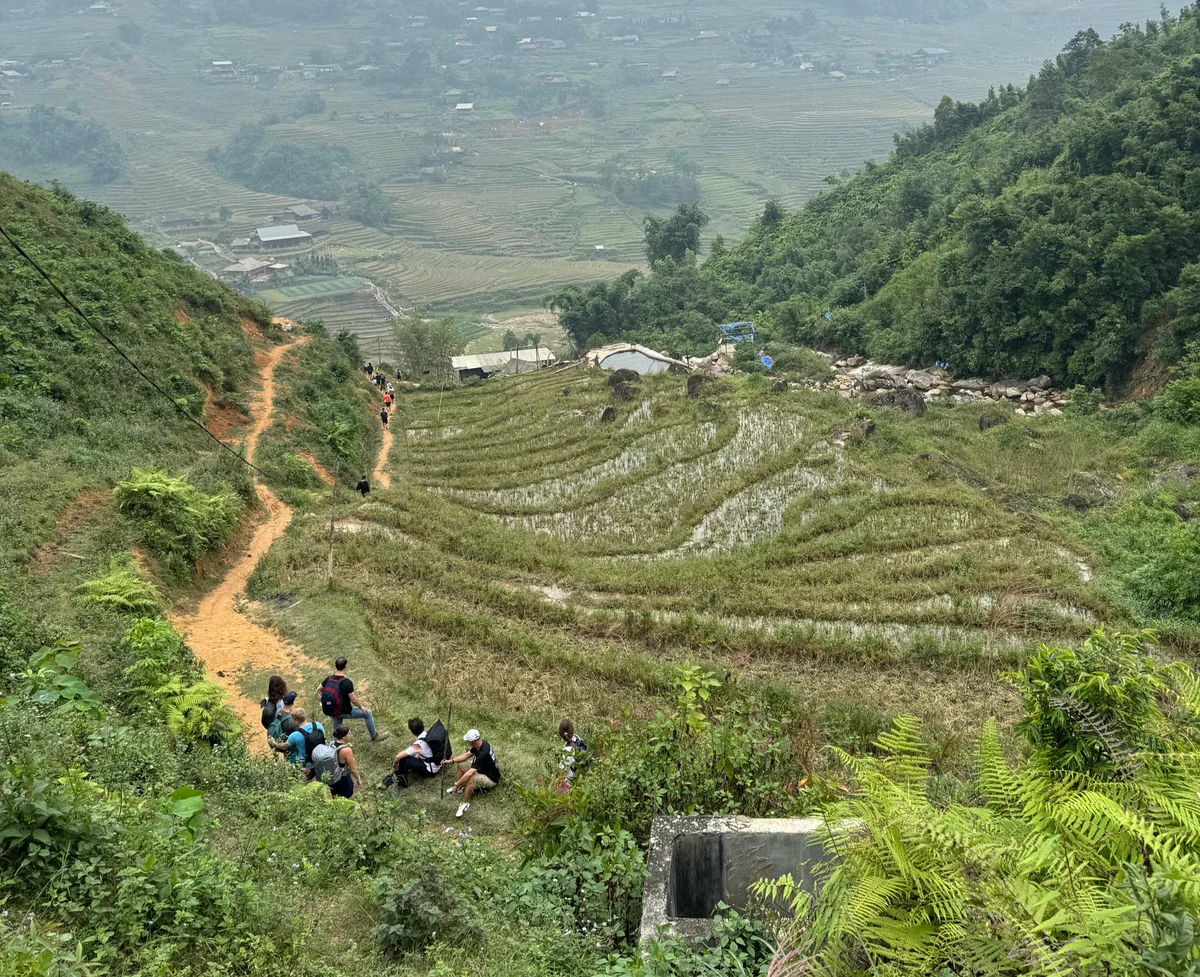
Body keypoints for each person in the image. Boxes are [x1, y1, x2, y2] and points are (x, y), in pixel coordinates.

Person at [319, 657, 388, 743]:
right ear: (345, 667)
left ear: (335, 666)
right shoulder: (347, 682)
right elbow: (354, 700)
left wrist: (323, 698)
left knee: (337, 734)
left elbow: (319, 689)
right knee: (368, 713)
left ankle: (333, 746)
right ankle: (374, 736)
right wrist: (361, 707)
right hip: (344, 711)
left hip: (333, 711)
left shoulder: (328, 679)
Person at [443, 728, 501, 818]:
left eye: (468, 741)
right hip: (481, 770)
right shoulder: (480, 744)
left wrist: (456, 784)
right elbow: (466, 755)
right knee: (461, 763)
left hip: (490, 779)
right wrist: (450, 761)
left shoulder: (483, 754)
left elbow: (469, 774)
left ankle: (465, 803)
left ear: (471, 742)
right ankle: (459, 788)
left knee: (471, 779)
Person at [311, 724, 359, 799]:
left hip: (332, 777)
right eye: (349, 733)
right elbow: (352, 769)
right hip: (343, 778)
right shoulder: (347, 750)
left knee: (335, 796)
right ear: (344, 736)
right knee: (348, 798)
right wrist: (358, 779)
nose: (350, 735)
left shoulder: (332, 743)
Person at [389, 718, 439, 787]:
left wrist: (394, 765)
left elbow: (398, 756)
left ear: (412, 731)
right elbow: (426, 749)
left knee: (404, 759)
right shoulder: (429, 733)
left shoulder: (418, 745)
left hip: (430, 770)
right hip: (438, 763)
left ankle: (402, 780)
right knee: (412, 757)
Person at [558, 718, 590, 786]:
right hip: (583, 777)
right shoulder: (578, 738)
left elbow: (562, 771)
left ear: (561, 734)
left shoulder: (567, 750)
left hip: (571, 782)